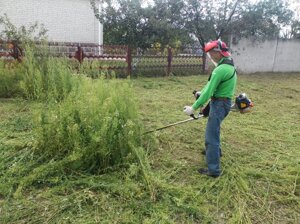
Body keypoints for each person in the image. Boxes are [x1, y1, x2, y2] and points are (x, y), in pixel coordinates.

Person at [183, 40, 237, 178]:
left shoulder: (220, 69)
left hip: (219, 104)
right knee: (215, 129)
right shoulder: (228, 64)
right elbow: (209, 88)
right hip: (223, 102)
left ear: (218, 52)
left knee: (210, 137)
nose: (211, 57)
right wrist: (201, 93)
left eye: (211, 54)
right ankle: (215, 152)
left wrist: (193, 107)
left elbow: (209, 92)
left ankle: (214, 171)